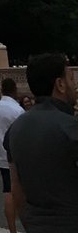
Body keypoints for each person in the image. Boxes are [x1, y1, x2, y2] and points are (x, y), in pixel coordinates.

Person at [5, 52, 78, 232]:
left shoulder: (15, 128)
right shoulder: (70, 127)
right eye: (71, 78)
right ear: (60, 85)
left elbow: (17, 189)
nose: (75, 85)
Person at [0, 77, 24, 233]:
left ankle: (12, 229)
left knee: (7, 190)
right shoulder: (17, 110)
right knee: (22, 191)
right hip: (19, 156)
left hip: (2, 155)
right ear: (15, 90)